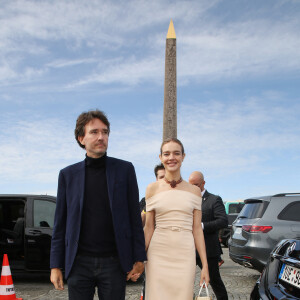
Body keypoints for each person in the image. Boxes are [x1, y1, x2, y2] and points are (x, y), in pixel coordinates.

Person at [50, 110, 147, 300]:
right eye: (94, 132)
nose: (101, 137)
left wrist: (139, 258)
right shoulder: (67, 175)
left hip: (114, 262)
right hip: (78, 263)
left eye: (105, 132)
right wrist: (55, 265)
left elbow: (134, 218)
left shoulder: (125, 170)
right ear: (81, 138)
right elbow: (60, 224)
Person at [144, 138, 209, 300]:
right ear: (160, 157)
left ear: (183, 156)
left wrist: (205, 265)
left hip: (185, 253)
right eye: (166, 153)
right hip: (157, 253)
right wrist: (139, 257)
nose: (171, 157)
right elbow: (149, 227)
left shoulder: (194, 191)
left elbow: (197, 230)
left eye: (176, 153)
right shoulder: (152, 189)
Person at [189, 171, 228, 300]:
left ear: (203, 183)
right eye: (191, 185)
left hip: (208, 250)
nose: (193, 188)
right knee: (184, 282)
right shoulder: (187, 200)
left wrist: (202, 226)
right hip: (188, 249)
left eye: (196, 185)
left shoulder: (214, 200)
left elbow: (223, 221)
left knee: (215, 282)